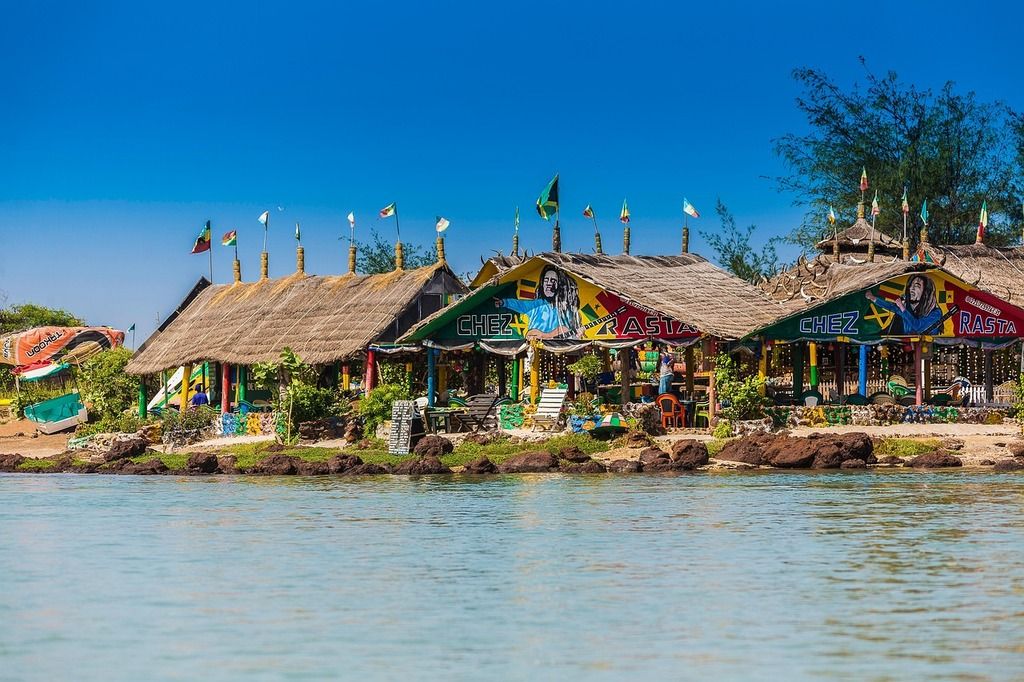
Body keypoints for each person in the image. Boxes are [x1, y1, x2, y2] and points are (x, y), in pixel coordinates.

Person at [494, 265, 582, 339]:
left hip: (558, 347)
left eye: (553, 280)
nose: (549, 283)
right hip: (535, 345)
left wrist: (578, 333)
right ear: (542, 283)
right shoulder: (536, 304)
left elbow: (572, 329)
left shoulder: (567, 308)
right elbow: (520, 304)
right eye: (546, 280)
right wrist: (503, 302)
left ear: (559, 284)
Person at [865, 274, 942, 335]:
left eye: (917, 286)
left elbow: (918, 326)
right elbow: (890, 306)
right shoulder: (907, 307)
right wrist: (873, 298)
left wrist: (902, 307)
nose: (911, 288)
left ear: (926, 292)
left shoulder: (935, 313)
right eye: (910, 285)